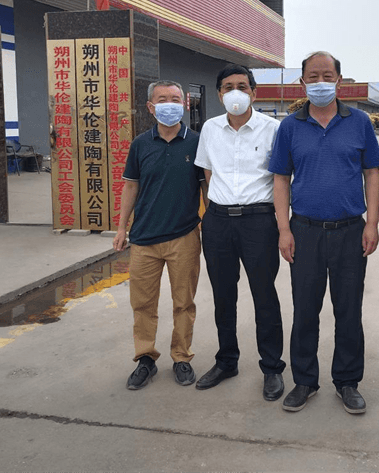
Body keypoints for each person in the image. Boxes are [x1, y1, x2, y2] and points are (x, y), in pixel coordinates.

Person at [269, 51, 379, 414]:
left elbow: (371, 174)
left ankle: (347, 381)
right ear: (303, 82)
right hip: (304, 231)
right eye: (313, 76)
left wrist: (372, 223)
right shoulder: (290, 126)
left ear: (339, 80)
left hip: (350, 231)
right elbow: (280, 179)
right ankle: (305, 380)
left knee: (348, 310)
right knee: (305, 310)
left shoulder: (359, 122)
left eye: (327, 76)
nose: (320, 82)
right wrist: (284, 229)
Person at [194, 64, 286, 401]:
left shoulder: (273, 129)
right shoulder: (210, 128)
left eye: (242, 86)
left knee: (264, 295)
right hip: (218, 221)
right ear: (219, 94)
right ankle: (226, 361)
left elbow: (281, 178)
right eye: (228, 87)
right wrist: (215, 210)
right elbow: (207, 173)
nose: (236, 92)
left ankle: (272, 367)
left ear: (254, 93)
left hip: (258, 221)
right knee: (223, 295)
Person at [113, 81, 206, 390]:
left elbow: (206, 186)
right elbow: (131, 186)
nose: (170, 104)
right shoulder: (140, 144)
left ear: (185, 105)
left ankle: (181, 357)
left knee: (184, 303)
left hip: (184, 236)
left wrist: (210, 223)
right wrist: (122, 227)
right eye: (163, 99)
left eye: (176, 99)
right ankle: (145, 359)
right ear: (150, 107)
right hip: (144, 239)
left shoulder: (197, 142)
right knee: (142, 304)